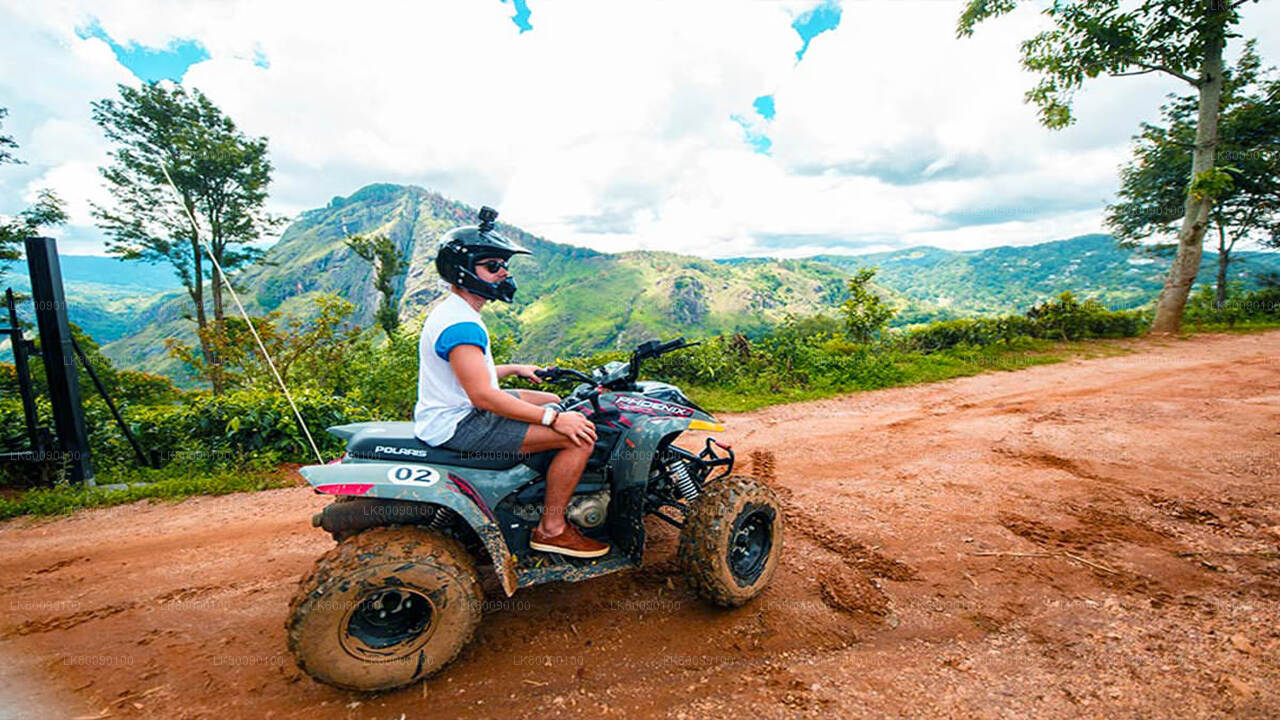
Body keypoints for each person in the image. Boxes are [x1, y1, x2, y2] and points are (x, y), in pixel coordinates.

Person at [413, 207, 609, 559]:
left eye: (503, 266)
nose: (504, 273)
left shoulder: (455, 312)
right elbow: (483, 395)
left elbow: (470, 374)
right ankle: (552, 528)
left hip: (454, 409)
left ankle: (533, 477)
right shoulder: (462, 327)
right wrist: (554, 420)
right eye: (493, 266)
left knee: (548, 397)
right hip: (461, 424)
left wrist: (515, 368)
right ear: (464, 270)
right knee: (580, 436)